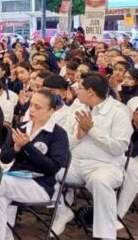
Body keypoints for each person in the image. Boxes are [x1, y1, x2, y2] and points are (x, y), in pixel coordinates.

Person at [52, 72, 133, 239]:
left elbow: (119, 148)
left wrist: (92, 130)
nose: (76, 91)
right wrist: (78, 136)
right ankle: (63, 212)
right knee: (45, 168)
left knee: (99, 180)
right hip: (75, 164)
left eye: (79, 88)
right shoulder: (79, 108)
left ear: (90, 91)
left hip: (106, 166)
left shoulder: (119, 111)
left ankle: (106, 236)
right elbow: (64, 141)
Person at [0, 89, 69, 240]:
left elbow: (53, 168)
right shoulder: (21, 126)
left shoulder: (58, 134)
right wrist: (16, 148)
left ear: (51, 111)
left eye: (38, 107)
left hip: (40, 184)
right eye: (31, 105)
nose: (31, 110)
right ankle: (2, 235)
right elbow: (5, 158)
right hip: (14, 178)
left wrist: (27, 147)